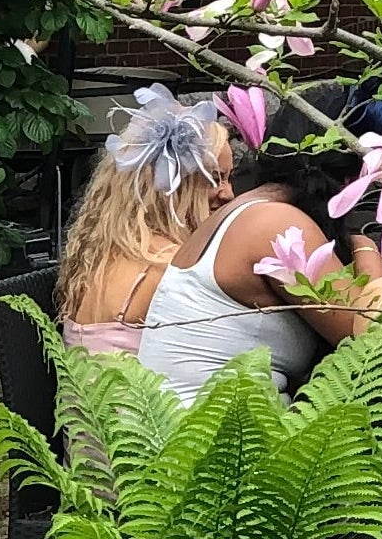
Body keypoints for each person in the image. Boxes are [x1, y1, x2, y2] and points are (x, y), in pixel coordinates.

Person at [138, 123, 362, 399]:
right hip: (219, 434)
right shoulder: (276, 224)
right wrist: (367, 251)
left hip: (198, 427)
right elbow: (366, 337)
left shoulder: (239, 212)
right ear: (347, 184)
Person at [56, 87, 227, 355]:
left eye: (230, 178)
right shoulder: (167, 267)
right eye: (215, 179)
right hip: (132, 397)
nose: (229, 193)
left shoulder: (102, 252)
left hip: (90, 395)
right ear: (175, 187)